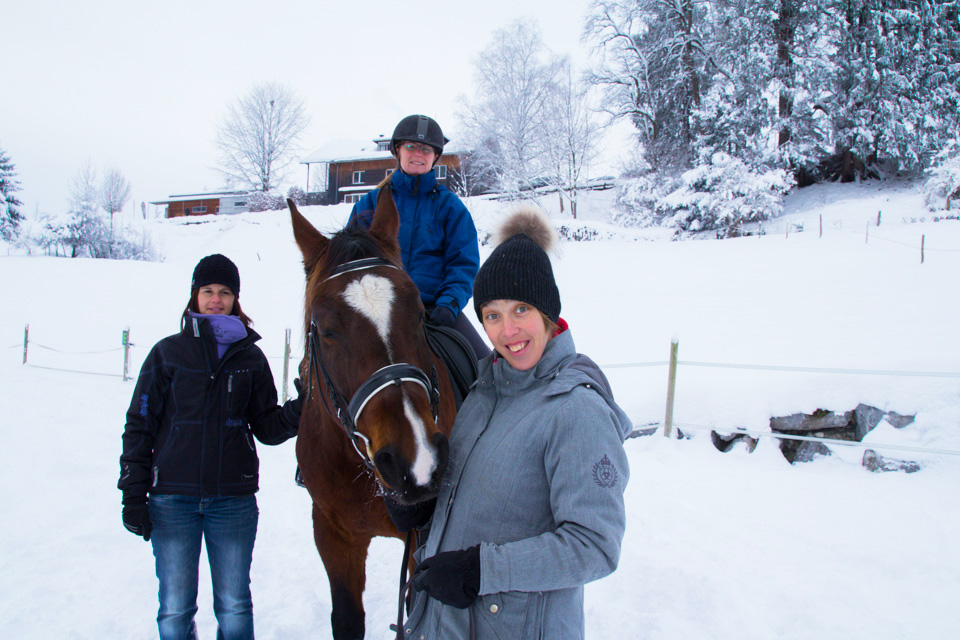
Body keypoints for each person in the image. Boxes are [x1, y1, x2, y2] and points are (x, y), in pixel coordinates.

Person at [388, 207, 632, 639]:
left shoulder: (576, 410)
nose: (508, 330)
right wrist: (422, 505)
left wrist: (481, 570)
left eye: (521, 309)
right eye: (492, 315)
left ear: (548, 315)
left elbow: (595, 546)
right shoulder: (484, 393)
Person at [118, 253, 303, 640]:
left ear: (236, 299)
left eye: (224, 292)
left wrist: (302, 408)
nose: (216, 299)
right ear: (194, 296)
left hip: (231, 502)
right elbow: (139, 425)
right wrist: (133, 494)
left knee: (234, 606)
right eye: (207, 291)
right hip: (171, 500)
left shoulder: (250, 358)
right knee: (174, 608)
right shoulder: (166, 353)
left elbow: (267, 426)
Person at [347, 113, 489, 358]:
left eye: (426, 149)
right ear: (397, 151)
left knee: (485, 367)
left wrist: (449, 304)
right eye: (411, 147)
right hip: (377, 309)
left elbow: (463, 264)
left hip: (434, 310)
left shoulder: (451, 208)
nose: (418, 154)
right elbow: (350, 261)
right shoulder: (369, 205)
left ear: (435, 157)